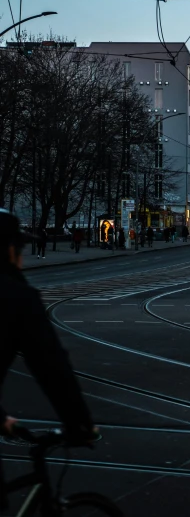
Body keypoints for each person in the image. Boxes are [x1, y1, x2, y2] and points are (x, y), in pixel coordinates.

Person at [0, 210, 98, 510]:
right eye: (21, 249)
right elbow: (50, 365)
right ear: (8, 251)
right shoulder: (15, 296)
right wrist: (79, 423)